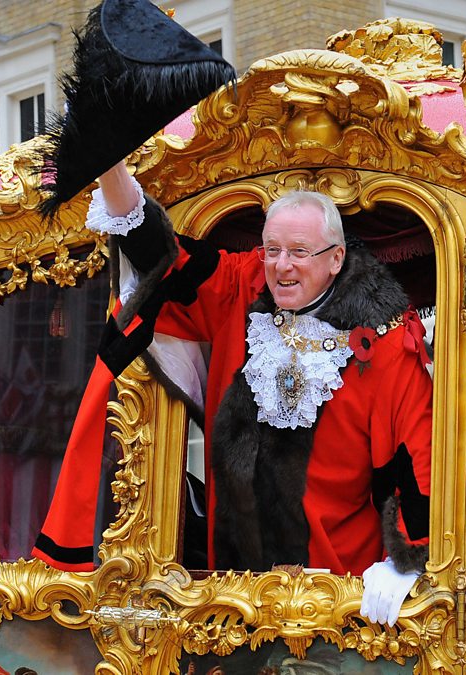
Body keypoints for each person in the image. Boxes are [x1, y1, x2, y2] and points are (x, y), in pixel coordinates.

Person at [68, 162, 433, 624]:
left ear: (336, 258)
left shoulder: (384, 333)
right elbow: (161, 260)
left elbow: (417, 451)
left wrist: (406, 560)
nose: (282, 266)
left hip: (342, 591)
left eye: (300, 251)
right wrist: (110, 166)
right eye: (272, 250)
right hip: (234, 590)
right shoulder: (240, 285)